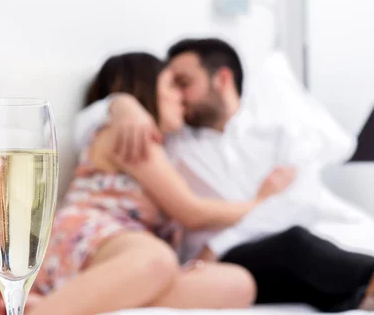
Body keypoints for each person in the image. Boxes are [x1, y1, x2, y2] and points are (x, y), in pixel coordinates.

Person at [0, 52, 292, 315]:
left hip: (121, 257)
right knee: (157, 260)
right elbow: (192, 212)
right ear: (144, 88)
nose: (180, 97)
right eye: (171, 85)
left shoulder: (163, 144)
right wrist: (261, 201)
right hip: (87, 235)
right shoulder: (130, 135)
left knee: (239, 284)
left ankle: (43, 300)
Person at [74, 38, 374, 312]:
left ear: (222, 79)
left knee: (292, 267)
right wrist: (122, 105)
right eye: (172, 85)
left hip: (228, 253)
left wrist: (218, 245)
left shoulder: (275, 133)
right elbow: (89, 124)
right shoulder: (169, 139)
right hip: (193, 253)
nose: (179, 95)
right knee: (295, 247)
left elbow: (299, 201)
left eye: (185, 82)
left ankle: (360, 296)